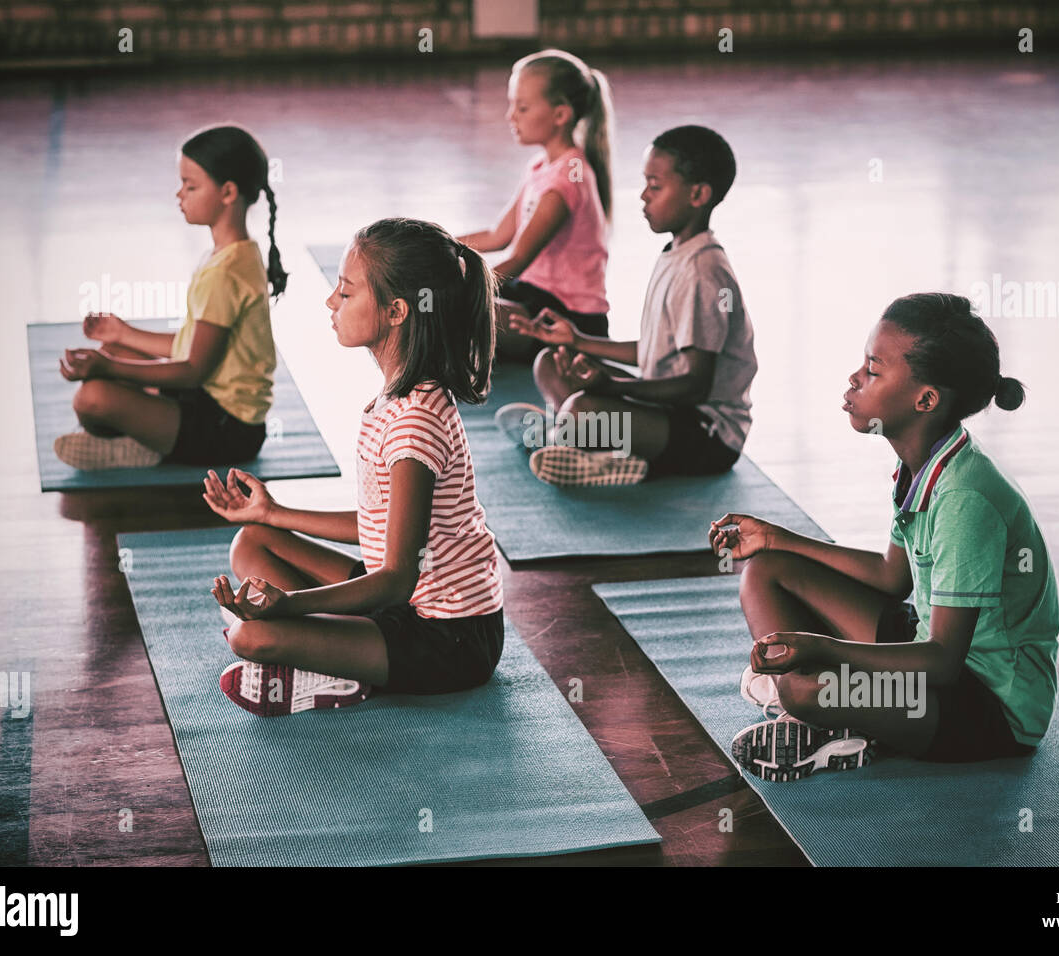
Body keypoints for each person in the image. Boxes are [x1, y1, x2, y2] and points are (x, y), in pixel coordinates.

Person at [710, 293, 1059, 780]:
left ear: (926, 400)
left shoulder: (967, 498)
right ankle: (841, 718)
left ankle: (827, 716)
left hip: (989, 707)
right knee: (766, 570)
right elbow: (893, 577)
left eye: (873, 370)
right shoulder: (923, 462)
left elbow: (943, 663)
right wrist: (775, 538)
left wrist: (824, 651)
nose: (855, 378)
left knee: (805, 689)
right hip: (930, 649)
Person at [205, 218, 504, 716]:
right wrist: (272, 513)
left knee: (250, 636)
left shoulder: (415, 424)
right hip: (402, 598)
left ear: (396, 311)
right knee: (252, 541)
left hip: (448, 638)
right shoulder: (398, 397)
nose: (331, 302)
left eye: (345, 292)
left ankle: (334, 668)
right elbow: (380, 528)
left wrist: (290, 605)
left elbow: (396, 578)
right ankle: (326, 648)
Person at [501, 125, 755, 487]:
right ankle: (578, 441)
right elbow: (655, 352)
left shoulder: (702, 272)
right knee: (550, 363)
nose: (643, 196)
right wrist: (577, 340)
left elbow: (695, 387)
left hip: (707, 436)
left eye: (655, 186)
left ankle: (575, 441)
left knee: (584, 409)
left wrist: (614, 387)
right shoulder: (678, 253)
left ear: (698, 194)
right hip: (669, 411)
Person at [55, 125, 286, 470]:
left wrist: (108, 367)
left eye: (190, 186)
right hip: (207, 401)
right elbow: (192, 347)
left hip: (228, 431)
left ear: (227, 192)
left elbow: (192, 370)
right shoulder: (236, 253)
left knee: (91, 399)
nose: (180, 194)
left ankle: (141, 446)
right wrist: (123, 334)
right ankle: (146, 434)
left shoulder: (224, 274)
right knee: (114, 351)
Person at [456, 49, 613, 362]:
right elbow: (497, 235)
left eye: (523, 107)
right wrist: (436, 245)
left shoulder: (568, 179)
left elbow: (518, 258)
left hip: (566, 318)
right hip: (529, 294)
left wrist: (458, 288)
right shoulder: (540, 167)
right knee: (441, 292)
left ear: (560, 115)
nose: (510, 115)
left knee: (448, 306)